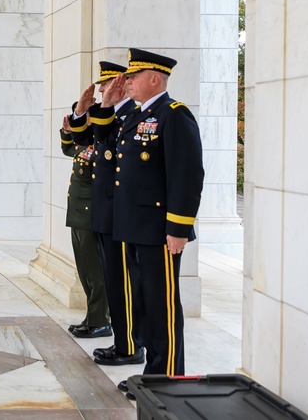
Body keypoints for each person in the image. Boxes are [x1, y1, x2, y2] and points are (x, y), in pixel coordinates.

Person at [114, 48, 203, 380]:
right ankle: (153, 373)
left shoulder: (174, 115)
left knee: (162, 307)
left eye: (134, 77)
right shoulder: (139, 115)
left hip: (160, 232)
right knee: (145, 306)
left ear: (155, 78)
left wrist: (179, 227)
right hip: (136, 228)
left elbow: (187, 175)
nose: (129, 82)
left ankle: (165, 379)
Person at [68, 61, 145, 365]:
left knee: (124, 283)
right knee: (115, 281)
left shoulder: (134, 116)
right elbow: (85, 143)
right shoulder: (113, 115)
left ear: (121, 84)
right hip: (106, 211)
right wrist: (80, 114)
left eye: (105, 85)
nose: (101, 90)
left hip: (121, 213)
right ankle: (124, 344)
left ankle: (131, 346)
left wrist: (102, 109)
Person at [59, 115, 111, 339]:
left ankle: (101, 321)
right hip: (78, 214)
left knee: (95, 271)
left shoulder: (103, 143)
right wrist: (66, 132)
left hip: (91, 216)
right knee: (84, 270)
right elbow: (69, 150)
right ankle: (92, 317)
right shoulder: (86, 144)